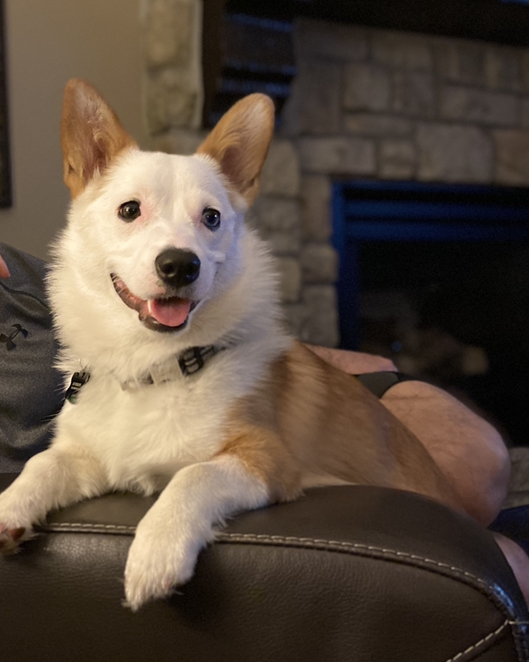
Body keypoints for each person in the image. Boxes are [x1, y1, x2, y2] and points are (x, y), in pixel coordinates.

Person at [0, 242, 528, 603]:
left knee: (481, 469)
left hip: (247, 381)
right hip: (190, 449)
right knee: (493, 562)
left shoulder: (43, 271)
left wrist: (347, 371)